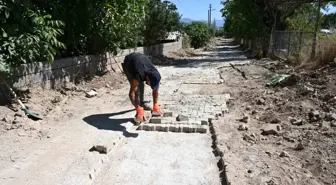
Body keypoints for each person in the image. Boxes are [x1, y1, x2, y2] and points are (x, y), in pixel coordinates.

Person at [122, 52, 163, 124]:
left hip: (141, 61)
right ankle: (138, 112)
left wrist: (155, 104)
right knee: (136, 89)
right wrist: (138, 108)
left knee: (141, 83)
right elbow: (131, 94)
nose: (150, 86)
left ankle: (142, 103)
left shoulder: (155, 74)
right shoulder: (138, 74)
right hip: (129, 62)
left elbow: (155, 90)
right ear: (147, 78)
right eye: (150, 84)